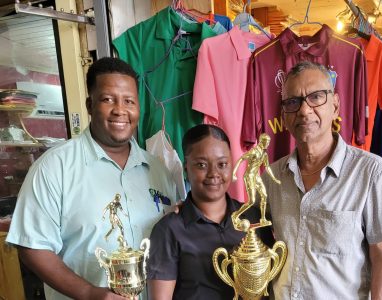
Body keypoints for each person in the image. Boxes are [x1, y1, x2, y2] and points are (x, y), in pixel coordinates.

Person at [6, 57, 177, 300]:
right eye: (108, 99)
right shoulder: (55, 167)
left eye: (129, 101)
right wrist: (89, 293)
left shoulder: (158, 170)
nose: (120, 110)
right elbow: (32, 246)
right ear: (89, 105)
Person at [262, 61, 382, 299]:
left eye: (316, 97)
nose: (304, 110)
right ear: (284, 115)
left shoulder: (371, 173)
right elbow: (250, 230)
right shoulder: (272, 177)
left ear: (336, 105)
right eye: (293, 102)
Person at [147, 124, 274, 300]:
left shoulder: (255, 218)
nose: (214, 173)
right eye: (201, 165)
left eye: (222, 164)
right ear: (186, 168)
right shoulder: (168, 230)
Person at [231, 133, 280, 231]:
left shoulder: (264, 154)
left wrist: (274, 178)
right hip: (249, 176)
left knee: (264, 196)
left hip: (256, 177)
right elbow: (241, 159)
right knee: (251, 201)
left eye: (269, 142)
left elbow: (267, 167)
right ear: (262, 141)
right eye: (267, 142)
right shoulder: (254, 152)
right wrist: (234, 173)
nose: (268, 144)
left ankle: (262, 218)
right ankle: (235, 215)